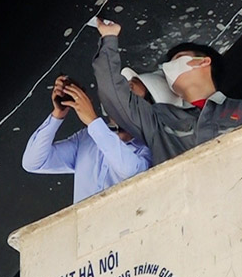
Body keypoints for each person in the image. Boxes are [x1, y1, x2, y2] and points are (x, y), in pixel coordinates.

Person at [92, 18, 242, 166]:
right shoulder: (160, 118)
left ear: (204, 62)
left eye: (178, 59)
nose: (169, 68)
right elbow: (115, 96)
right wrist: (109, 38)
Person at [22, 75, 152, 204]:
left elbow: (131, 173)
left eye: (129, 93)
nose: (118, 95)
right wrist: (58, 114)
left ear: (147, 111)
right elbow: (33, 162)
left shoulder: (150, 150)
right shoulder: (87, 138)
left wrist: (93, 121)